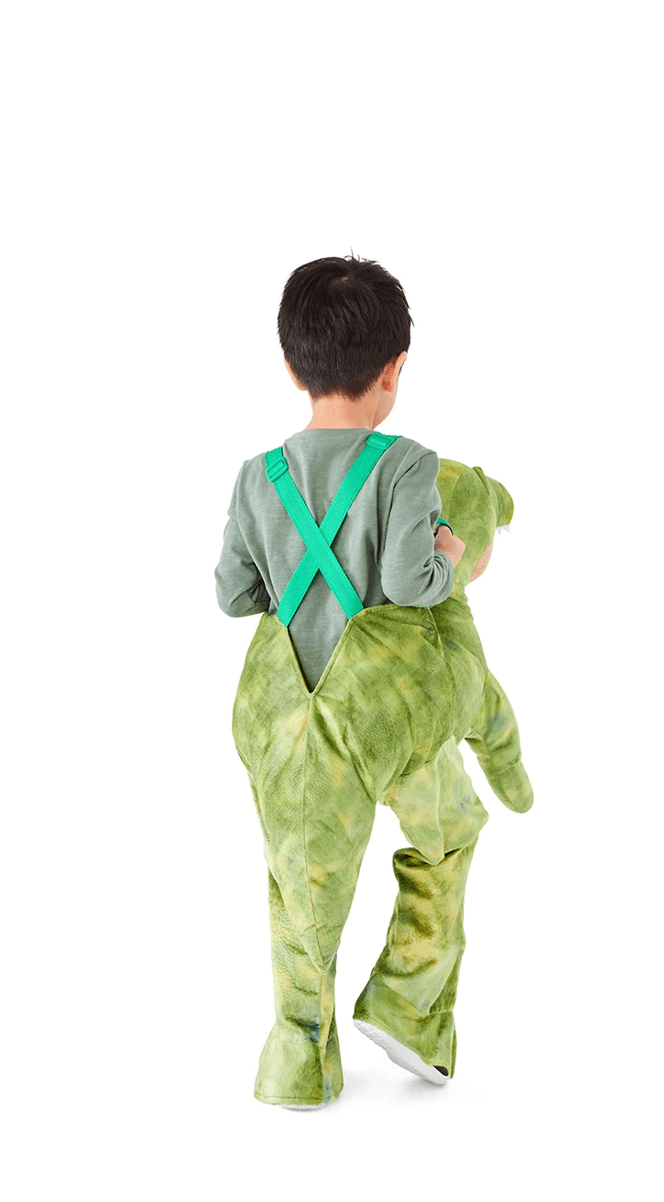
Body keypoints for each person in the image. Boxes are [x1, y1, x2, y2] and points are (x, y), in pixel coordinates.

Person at [215, 255, 532, 1109]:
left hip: (287, 722)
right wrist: (452, 559)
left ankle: (298, 1058)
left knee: (297, 882)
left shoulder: (256, 475)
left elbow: (232, 594)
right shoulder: (406, 463)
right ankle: (407, 1002)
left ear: (293, 368)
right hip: (389, 720)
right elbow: (408, 581)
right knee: (450, 833)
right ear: (393, 370)